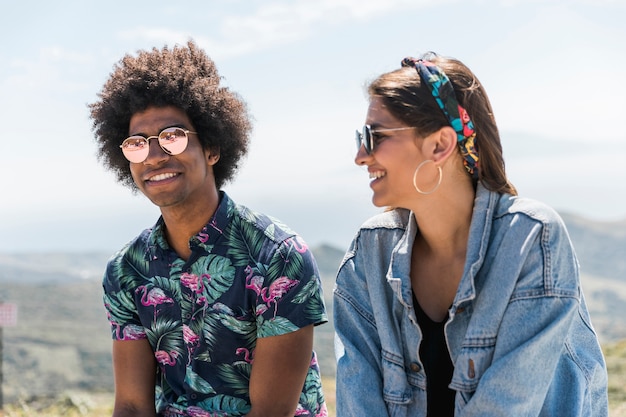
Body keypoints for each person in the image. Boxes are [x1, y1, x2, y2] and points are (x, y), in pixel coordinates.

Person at [333, 52, 609, 416]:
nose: (360, 155)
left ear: (439, 145)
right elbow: (359, 402)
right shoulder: (369, 253)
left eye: (375, 136)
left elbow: (507, 406)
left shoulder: (532, 239)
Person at [89, 41, 328, 417]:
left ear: (212, 148)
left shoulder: (277, 256)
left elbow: (271, 412)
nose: (153, 156)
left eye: (172, 136)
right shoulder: (126, 271)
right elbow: (134, 406)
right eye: (136, 144)